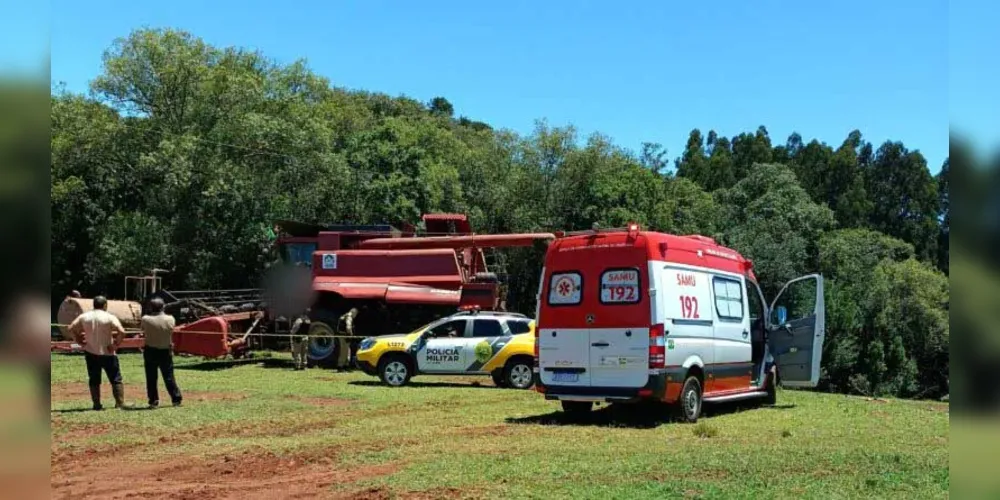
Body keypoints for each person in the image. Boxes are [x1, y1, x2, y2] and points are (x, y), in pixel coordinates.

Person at [66, 295, 127, 410]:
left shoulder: (84, 316)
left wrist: (78, 341)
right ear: (105, 305)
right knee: (115, 378)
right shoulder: (109, 317)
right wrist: (115, 345)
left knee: (94, 378)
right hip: (107, 352)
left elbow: (70, 328)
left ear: (93, 305)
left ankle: (96, 404)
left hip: (91, 351)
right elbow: (122, 332)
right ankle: (120, 403)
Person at [140, 297, 182, 408]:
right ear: (163, 307)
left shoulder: (145, 319)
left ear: (150, 307)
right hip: (165, 350)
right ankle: (176, 399)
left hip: (150, 350)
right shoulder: (170, 318)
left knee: (151, 377)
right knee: (168, 376)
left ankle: (153, 400)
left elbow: (142, 330)